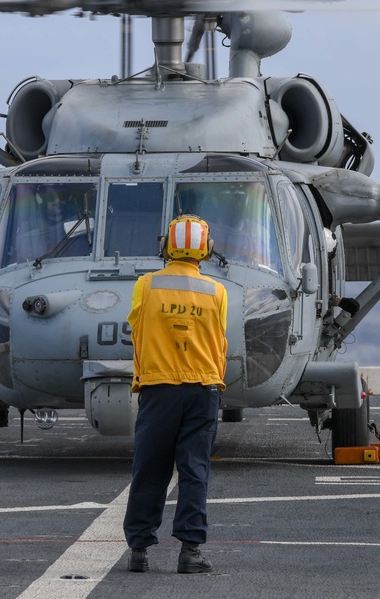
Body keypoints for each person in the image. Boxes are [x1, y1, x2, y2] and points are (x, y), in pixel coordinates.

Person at [123, 215, 228, 574]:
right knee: (194, 470)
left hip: (158, 388)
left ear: (165, 246)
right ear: (207, 250)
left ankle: (139, 550)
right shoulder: (217, 291)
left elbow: (134, 325)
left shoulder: (146, 285)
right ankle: (191, 551)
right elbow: (220, 340)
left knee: (150, 468)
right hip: (203, 389)